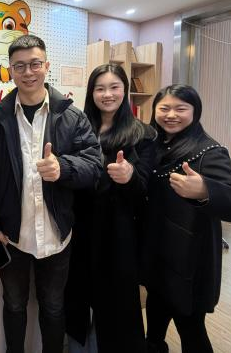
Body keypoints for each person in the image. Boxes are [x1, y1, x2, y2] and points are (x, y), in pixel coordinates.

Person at [0, 35, 102, 353]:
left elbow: (94, 165)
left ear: (46, 66)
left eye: (35, 64)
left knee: (54, 307)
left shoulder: (72, 117)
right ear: (10, 71)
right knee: (14, 304)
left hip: (57, 235)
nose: (28, 72)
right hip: (11, 237)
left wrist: (63, 168)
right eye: (19, 66)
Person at [143, 84, 231, 353]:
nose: (171, 115)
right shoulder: (154, 145)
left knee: (191, 329)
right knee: (155, 324)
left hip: (188, 262)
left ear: (195, 112)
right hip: (158, 254)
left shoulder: (208, 151)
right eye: (164, 108)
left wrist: (207, 190)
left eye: (181, 109)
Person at [65, 64, 157, 353]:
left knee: (118, 304)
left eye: (114, 87)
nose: (107, 94)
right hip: (80, 228)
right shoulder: (78, 129)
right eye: (100, 88)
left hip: (119, 232)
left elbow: (146, 189)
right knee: (79, 298)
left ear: (124, 90)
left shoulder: (143, 134)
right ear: (91, 93)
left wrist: (130, 177)